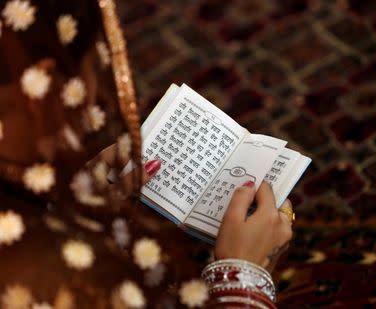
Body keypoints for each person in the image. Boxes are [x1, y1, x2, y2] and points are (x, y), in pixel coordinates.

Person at [0, 0, 294, 307]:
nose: (95, 92)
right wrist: (243, 277)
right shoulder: (45, 271)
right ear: (43, 84)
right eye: (91, 67)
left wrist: (69, 200)